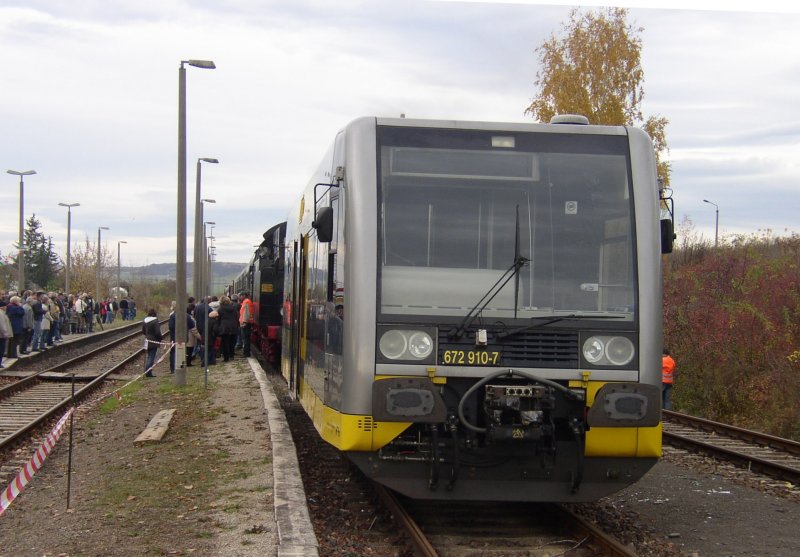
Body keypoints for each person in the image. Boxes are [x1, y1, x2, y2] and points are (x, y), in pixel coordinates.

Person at [216, 296, 239, 362]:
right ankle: (231, 356)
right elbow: (236, 317)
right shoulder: (234, 308)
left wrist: (218, 327)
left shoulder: (220, 309)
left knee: (225, 342)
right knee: (232, 342)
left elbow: (219, 320)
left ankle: (226, 358)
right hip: (234, 326)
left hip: (225, 327)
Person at [142, 309, 162, 377]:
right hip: (153, 340)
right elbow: (157, 332)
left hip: (147, 340)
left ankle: (147, 371)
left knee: (149, 356)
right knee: (151, 357)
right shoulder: (155, 321)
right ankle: (148, 372)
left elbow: (143, 331)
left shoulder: (145, 320)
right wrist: (160, 338)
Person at [238, 291, 254, 357]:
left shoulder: (246, 302)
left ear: (244, 295)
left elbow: (246, 313)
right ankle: (246, 352)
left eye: (241, 296)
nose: (240, 297)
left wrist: (244, 322)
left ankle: (246, 353)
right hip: (246, 323)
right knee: (246, 339)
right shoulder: (246, 301)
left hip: (245, 324)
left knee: (245, 339)